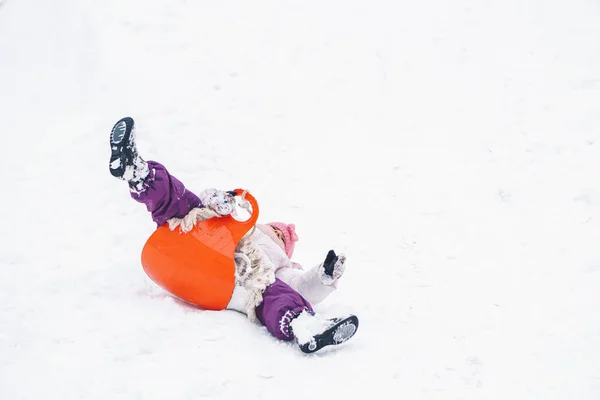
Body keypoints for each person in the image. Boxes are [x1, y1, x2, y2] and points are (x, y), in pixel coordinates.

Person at [109, 117, 358, 353]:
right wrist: (220, 201)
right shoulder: (239, 226)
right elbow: (207, 204)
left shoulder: (278, 266)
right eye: (275, 230)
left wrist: (323, 277)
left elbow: (301, 287)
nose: (277, 236)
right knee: (182, 205)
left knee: (272, 292)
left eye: (282, 238)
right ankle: (138, 173)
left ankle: (305, 327)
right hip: (200, 250)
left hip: (233, 281)